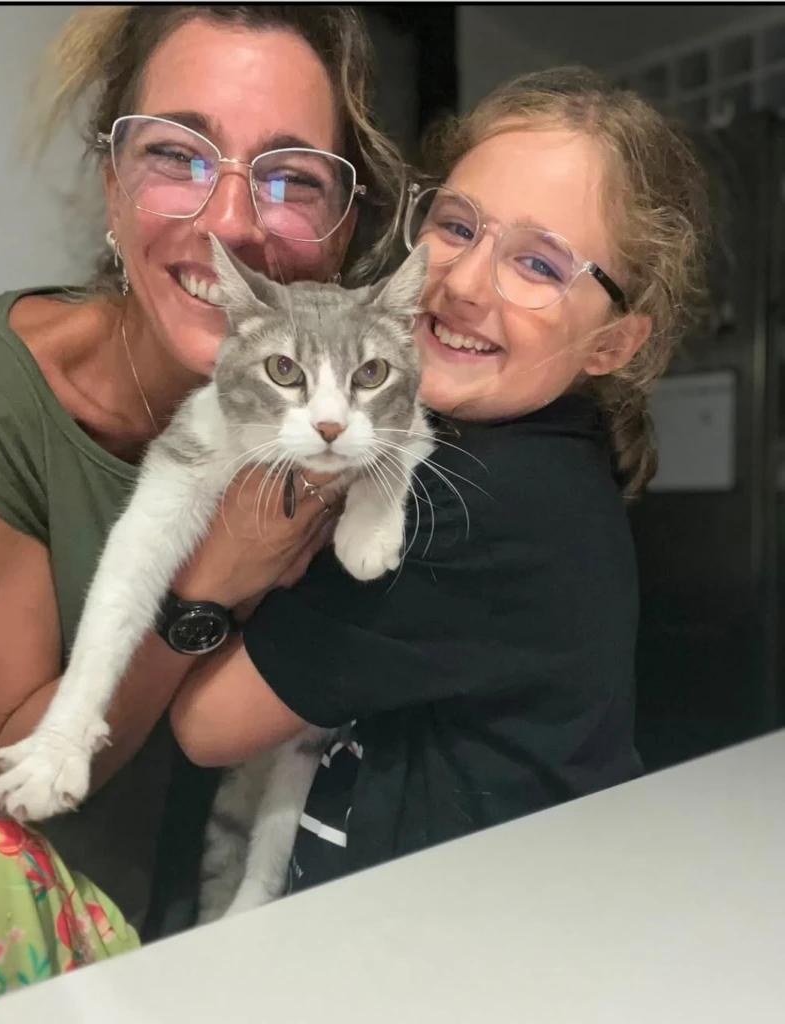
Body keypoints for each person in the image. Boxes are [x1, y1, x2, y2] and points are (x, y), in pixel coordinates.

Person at [170, 68, 710, 893]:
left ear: (611, 344)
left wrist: (208, 583)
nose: (460, 283)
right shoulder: (537, 453)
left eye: (538, 264)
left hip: (471, 938)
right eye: (456, 225)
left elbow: (207, 724)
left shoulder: (480, 496)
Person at [0, 2, 407, 943]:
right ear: (112, 186)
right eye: (178, 156)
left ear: (340, 229)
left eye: (290, 177)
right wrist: (212, 582)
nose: (231, 222)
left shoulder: (353, 391)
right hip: (55, 945)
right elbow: (17, 780)